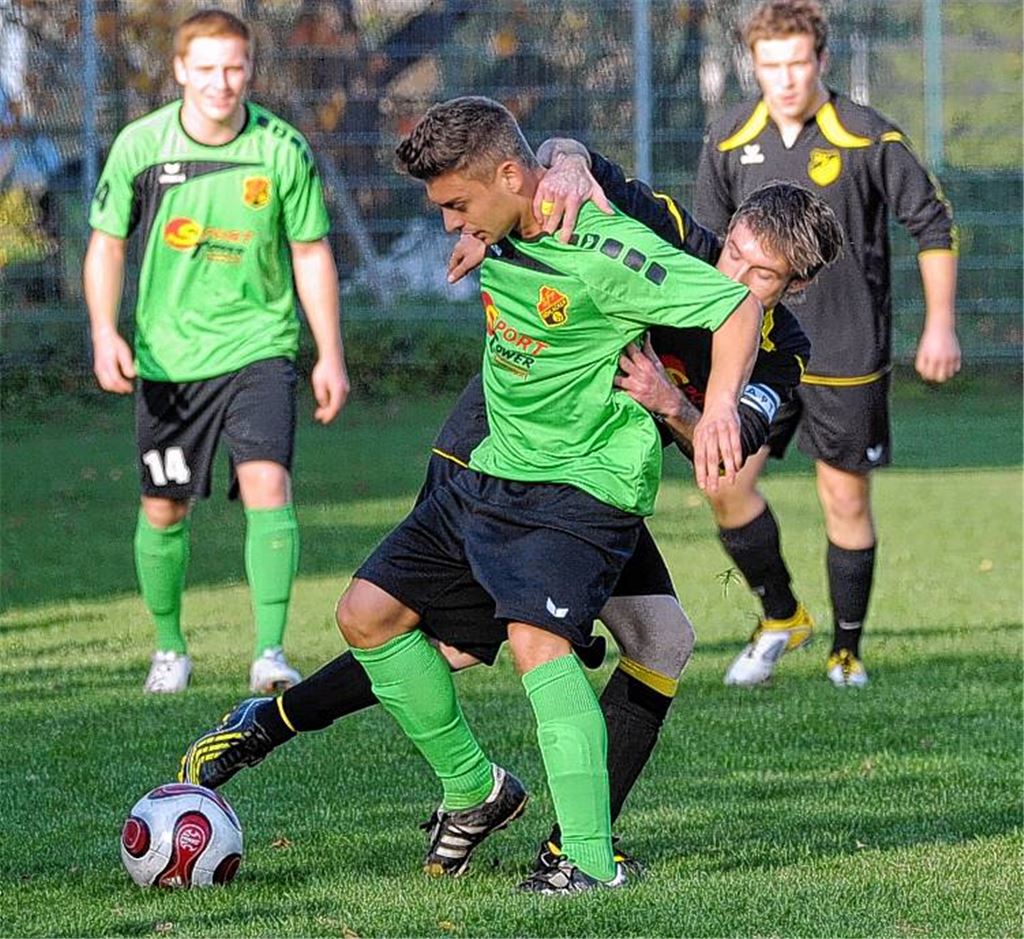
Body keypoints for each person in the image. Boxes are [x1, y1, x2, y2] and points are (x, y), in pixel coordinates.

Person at [179, 157, 841, 892]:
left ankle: (571, 845)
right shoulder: (676, 236)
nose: (735, 274)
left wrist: (674, 404)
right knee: (444, 639)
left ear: (795, 287)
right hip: (497, 449)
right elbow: (558, 163)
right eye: (735, 252)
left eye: (761, 274)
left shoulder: (782, 351)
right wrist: (562, 170)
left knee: (660, 639)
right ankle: (280, 725)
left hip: (590, 479)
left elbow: (724, 450)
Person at [324, 96, 762, 895]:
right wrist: (482, 227)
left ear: (507, 175)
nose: (450, 222)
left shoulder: (603, 248)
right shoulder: (505, 218)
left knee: (538, 644)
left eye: (458, 204)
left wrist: (722, 406)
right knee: (366, 614)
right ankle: (474, 788)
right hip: (494, 469)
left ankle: (589, 862)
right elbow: (551, 150)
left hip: (581, 485)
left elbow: (736, 307)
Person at [693, 0, 959, 687]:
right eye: (770, 64)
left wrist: (939, 324)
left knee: (844, 500)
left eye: (797, 62)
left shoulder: (867, 136)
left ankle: (846, 652)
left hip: (845, 352)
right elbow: (708, 249)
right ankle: (781, 614)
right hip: (757, 350)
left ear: (822, 60)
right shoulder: (728, 138)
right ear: (753, 65)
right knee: (724, 481)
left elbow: (932, 224)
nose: (785, 78)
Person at [83, 9, 350, 695]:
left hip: (260, 346)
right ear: (179, 70)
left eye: (233, 68)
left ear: (250, 69)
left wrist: (329, 353)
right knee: (164, 507)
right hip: (170, 360)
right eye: (205, 68)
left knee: (268, 482)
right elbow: (107, 243)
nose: (220, 83)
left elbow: (310, 251)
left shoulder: (281, 148)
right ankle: (169, 649)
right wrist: (104, 331)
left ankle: (270, 653)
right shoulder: (141, 145)